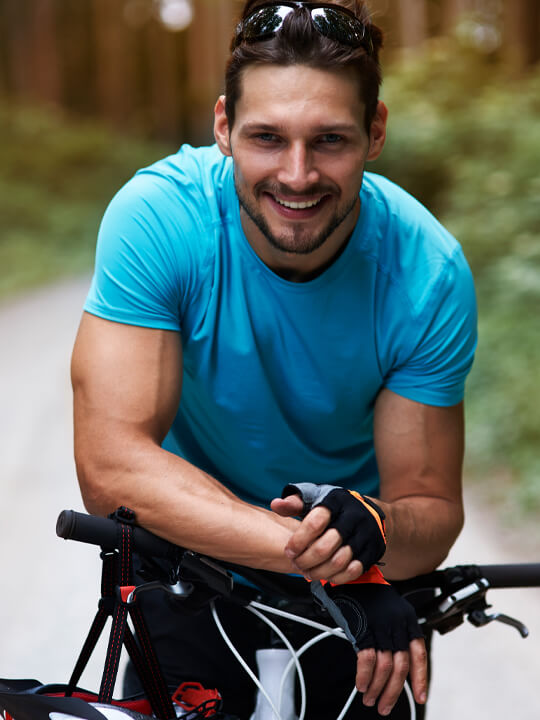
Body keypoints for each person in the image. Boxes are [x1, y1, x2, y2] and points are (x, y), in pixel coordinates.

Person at [71, 1, 477, 718]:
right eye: (267, 138)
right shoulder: (160, 218)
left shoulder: (427, 271)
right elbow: (112, 465)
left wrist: (377, 532)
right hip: (190, 561)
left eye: (329, 141)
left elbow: (432, 508)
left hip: (364, 581)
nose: (296, 176)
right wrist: (329, 560)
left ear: (374, 132)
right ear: (223, 127)